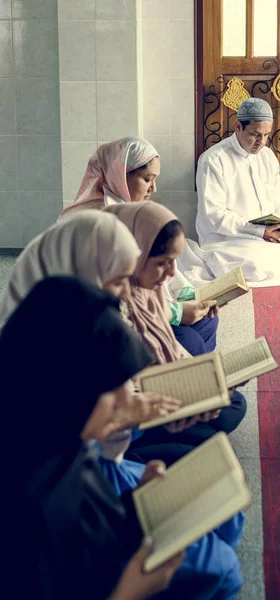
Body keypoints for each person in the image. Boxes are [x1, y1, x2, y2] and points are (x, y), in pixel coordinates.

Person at [2, 277, 244, 600]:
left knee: (225, 517)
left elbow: (92, 511)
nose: (124, 397)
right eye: (109, 386)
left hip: (101, 545)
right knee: (223, 568)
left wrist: (137, 502)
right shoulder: (25, 507)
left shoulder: (52, 431)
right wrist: (128, 592)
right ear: (67, 389)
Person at [0, 210, 190, 480]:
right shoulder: (38, 348)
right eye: (117, 281)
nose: (126, 291)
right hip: (77, 471)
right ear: (83, 270)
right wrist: (125, 418)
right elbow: (58, 450)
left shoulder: (77, 318)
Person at [105, 201, 247, 453]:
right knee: (209, 430)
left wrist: (207, 381)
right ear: (135, 253)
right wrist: (186, 392)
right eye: (163, 263)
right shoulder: (106, 305)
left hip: (151, 389)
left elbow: (165, 344)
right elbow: (125, 385)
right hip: (123, 414)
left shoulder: (141, 288)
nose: (171, 272)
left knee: (233, 403)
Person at [59, 136, 219, 356]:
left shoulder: (132, 211)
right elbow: (118, 301)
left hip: (152, 307)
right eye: (147, 179)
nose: (154, 187)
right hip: (111, 322)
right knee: (189, 341)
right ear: (120, 176)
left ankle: (188, 372)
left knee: (208, 320)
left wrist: (188, 294)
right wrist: (176, 313)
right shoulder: (96, 225)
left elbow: (162, 266)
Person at [178, 97, 280, 288]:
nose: (261, 142)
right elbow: (214, 216)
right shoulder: (213, 159)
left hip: (266, 234)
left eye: (266, 135)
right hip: (230, 239)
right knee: (254, 265)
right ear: (238, 126)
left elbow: (279, 203)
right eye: (255, 134)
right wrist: (259, 232)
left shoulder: (267, 156)